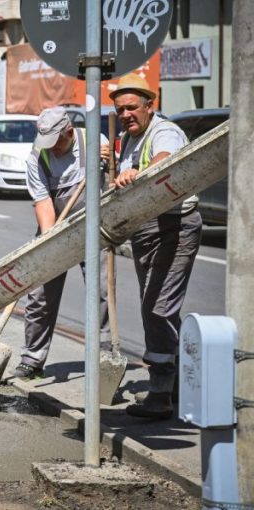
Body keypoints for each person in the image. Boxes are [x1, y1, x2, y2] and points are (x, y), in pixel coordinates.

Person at [110, 74, 201, 419]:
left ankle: (161, 394)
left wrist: (139, 172)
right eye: (120, 110)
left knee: (157, 308)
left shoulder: (164, 131)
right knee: (158, 306)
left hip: (174, 227)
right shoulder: (127, 138)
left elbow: (164, 158)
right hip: (146, 229)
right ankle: (177, 384)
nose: (126, 115)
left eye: (132, 108)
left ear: (150, 106)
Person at [12, 106, 111, 379]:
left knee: (102, 293)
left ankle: (103, 359)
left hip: (94, 229)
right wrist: (50, 243)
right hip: (55, 225)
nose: (52, 149)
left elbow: (111, 184)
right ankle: (32, 359)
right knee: (40, 295)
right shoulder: (37, 156)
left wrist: (109, 160)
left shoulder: (95, 142)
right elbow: (43, 203)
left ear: (69, 132)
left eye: (56, 142)